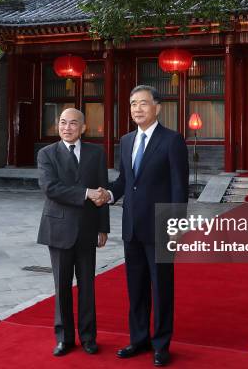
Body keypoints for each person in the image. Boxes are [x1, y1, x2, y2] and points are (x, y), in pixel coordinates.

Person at [94, 85, 189, 366]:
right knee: (135, 287)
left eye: (143, 103)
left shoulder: (172, 140)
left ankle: (161, 344)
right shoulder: (125, 141)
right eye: (133, 103)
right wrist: (109, 194)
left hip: (160, 226)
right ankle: (138, 339)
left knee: (161, 288)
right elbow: (125, 180)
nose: (137, 108)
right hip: (131, 226)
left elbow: (178, 186)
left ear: (157, 107)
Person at [37, 108, 110, 357]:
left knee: (87, 286)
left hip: (88, 228)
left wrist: (103, 226)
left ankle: (89, 337)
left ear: (83, 127)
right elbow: (51, 188)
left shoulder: (96, 153)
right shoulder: (47, 154)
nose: (67, 128)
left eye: (73, 123)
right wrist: (85, 194)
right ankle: (64, 338)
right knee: (62, 286)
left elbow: (103, 191)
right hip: (58, 228)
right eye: (62, 123)